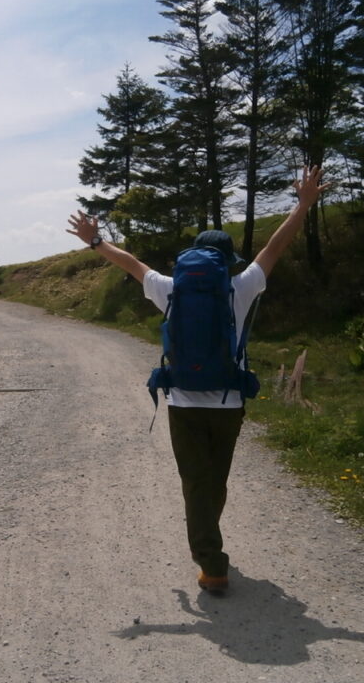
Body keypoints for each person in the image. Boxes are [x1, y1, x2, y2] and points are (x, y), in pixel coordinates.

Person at [66, 165, 331, 595]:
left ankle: (212, 564)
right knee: (214, 481)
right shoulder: (241, 287)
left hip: (183, 403)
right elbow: (275, 247)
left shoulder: (170, 289)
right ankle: (211, 550)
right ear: (226, 262)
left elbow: (131, 264)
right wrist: (302, 205)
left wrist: (95, 241)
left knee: (195, 484)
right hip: (228, 403)